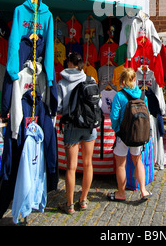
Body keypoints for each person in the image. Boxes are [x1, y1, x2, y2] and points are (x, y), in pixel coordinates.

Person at [57, 52, 97, 214]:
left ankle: (69, 204)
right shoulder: (91, 80)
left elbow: (58, 107)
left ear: (69, 64)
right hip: (89, 126)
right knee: (88, 163)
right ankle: (84, 200)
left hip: (72, 125)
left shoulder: (62, 83)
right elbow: (97, 102)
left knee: (71, 167)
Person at [109, 67, 152, 202]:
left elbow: (114, 117)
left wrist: (117, 131)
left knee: (121, 164)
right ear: (135, 79)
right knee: (138, 160)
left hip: (123, 134)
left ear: (122, 80)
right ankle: (143, 190)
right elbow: (147, 114)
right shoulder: (142, 95)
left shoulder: (119, 95)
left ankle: (121, 193)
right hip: (138, 134)